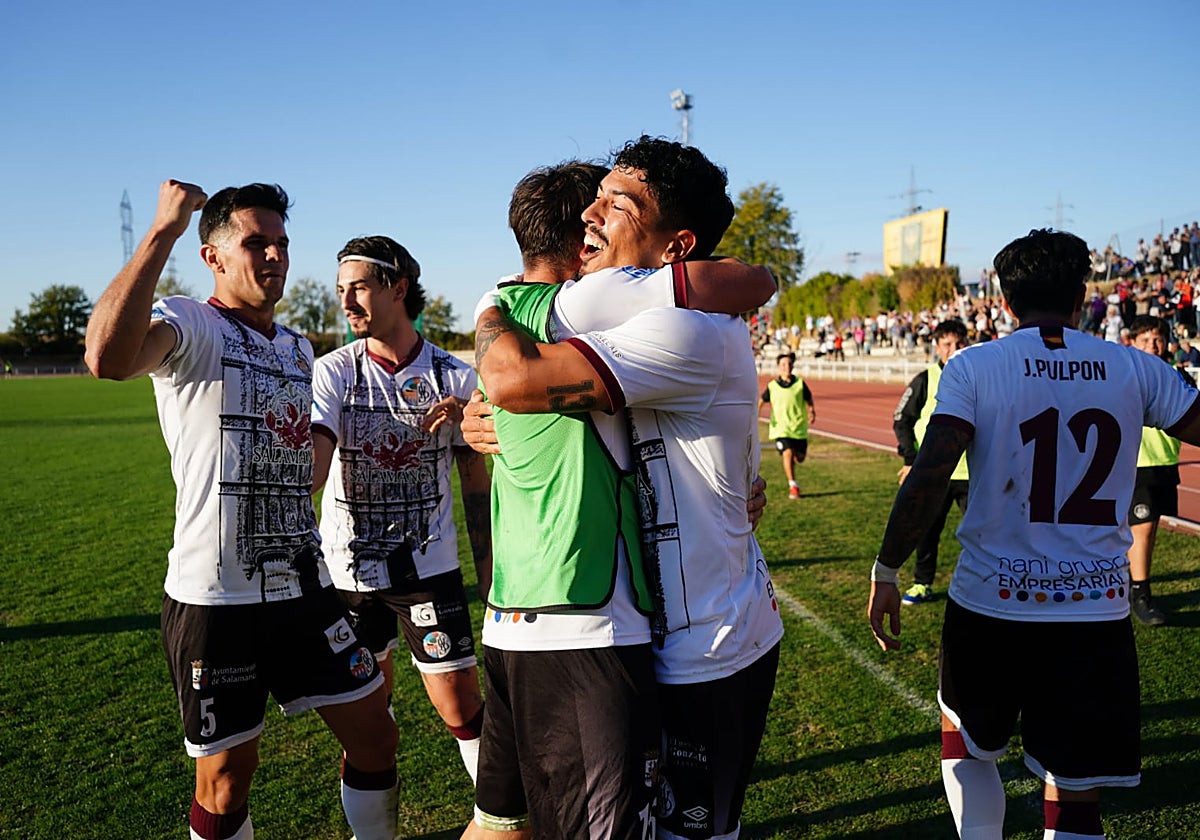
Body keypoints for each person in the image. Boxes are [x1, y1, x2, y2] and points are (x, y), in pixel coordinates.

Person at [472, 137, 784, 840]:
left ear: (677, 245)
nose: (591, 213)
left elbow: (518, 379)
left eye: (618, 204)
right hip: (659, 632)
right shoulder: (639, 310)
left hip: (711, 646)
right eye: (597, 195)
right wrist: (478, 418)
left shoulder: (688, 330)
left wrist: (491, 313)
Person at [84, 181, 399, 840]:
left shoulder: (296, 348)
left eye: (282, 243)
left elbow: (295, 458)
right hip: (215, 599)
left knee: (376, 733)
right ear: (214, 257)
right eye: (257, 242)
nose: (275, 255)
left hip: (303, 588)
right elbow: (107, 358)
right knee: (226, 781)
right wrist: (161, 231)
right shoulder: (190, 321)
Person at [867, 229, 1200, 840]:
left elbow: (930, 474)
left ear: (1004, 297)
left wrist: (887, 569)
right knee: (1075, 786)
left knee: (966, 744)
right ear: (1082, 296)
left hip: (992, 602)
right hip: (1094, 608)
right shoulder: (1133, 366)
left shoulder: (974, 365)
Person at [310, 235, 490, 783]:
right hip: (348, 573)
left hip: (427, 572)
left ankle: (505, 818)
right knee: (369, 721)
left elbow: (477, 486)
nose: (346, 302)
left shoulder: (454, 376)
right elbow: (315, 463)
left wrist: (488, 574)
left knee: (460, 704)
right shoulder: (334, 370)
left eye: (359, 287)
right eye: (341, 290)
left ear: (398, 287)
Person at [891, 318, 970, 605]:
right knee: (926, 531)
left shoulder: (978, 378)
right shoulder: (925, 380)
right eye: (948, 344)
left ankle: (984, 585)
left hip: (971, 473)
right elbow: (902, 419)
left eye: (960, 344)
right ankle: (922, 583)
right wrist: (911, 459)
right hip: (935, 474)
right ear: (937, 347)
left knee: (981, 533)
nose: (955, 350)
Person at [1125, 316, 1193, 626]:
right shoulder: (1128, 377)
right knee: (1143, 527)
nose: (1154, 345)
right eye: (1146, 340)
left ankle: (1128, 585)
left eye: (1158, 339)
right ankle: (1140, 595)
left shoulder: (1177, 376)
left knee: (1147, 528)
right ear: (1133, 344)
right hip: (1138, 462)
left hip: (1166, 462)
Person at [760, 351, 816, 499]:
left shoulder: (799, 384)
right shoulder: (772, 386)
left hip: (798, 427)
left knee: (799, 458)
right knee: (788, 453)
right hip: (781, 428)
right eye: (783, 364)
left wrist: (811, 411)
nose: (787, 367)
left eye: (789, 364)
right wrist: (755, 415)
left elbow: (809, 399)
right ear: (779, 367)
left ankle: (793, 470)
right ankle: (793, 486)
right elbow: (761, 400)